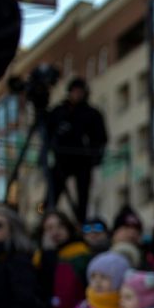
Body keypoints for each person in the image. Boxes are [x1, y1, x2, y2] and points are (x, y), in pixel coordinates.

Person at [47, 77, 107, 221]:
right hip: (62, 158)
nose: (77, 95)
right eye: (75, 91)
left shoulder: (91, 113)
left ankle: (81, 220)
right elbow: (48, 132)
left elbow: (100, 137)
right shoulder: (59, 111)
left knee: (83, 195)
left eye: (80, 92)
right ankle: (48, 216)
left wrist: (94, 156)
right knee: (53, 191)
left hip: (82, 160)